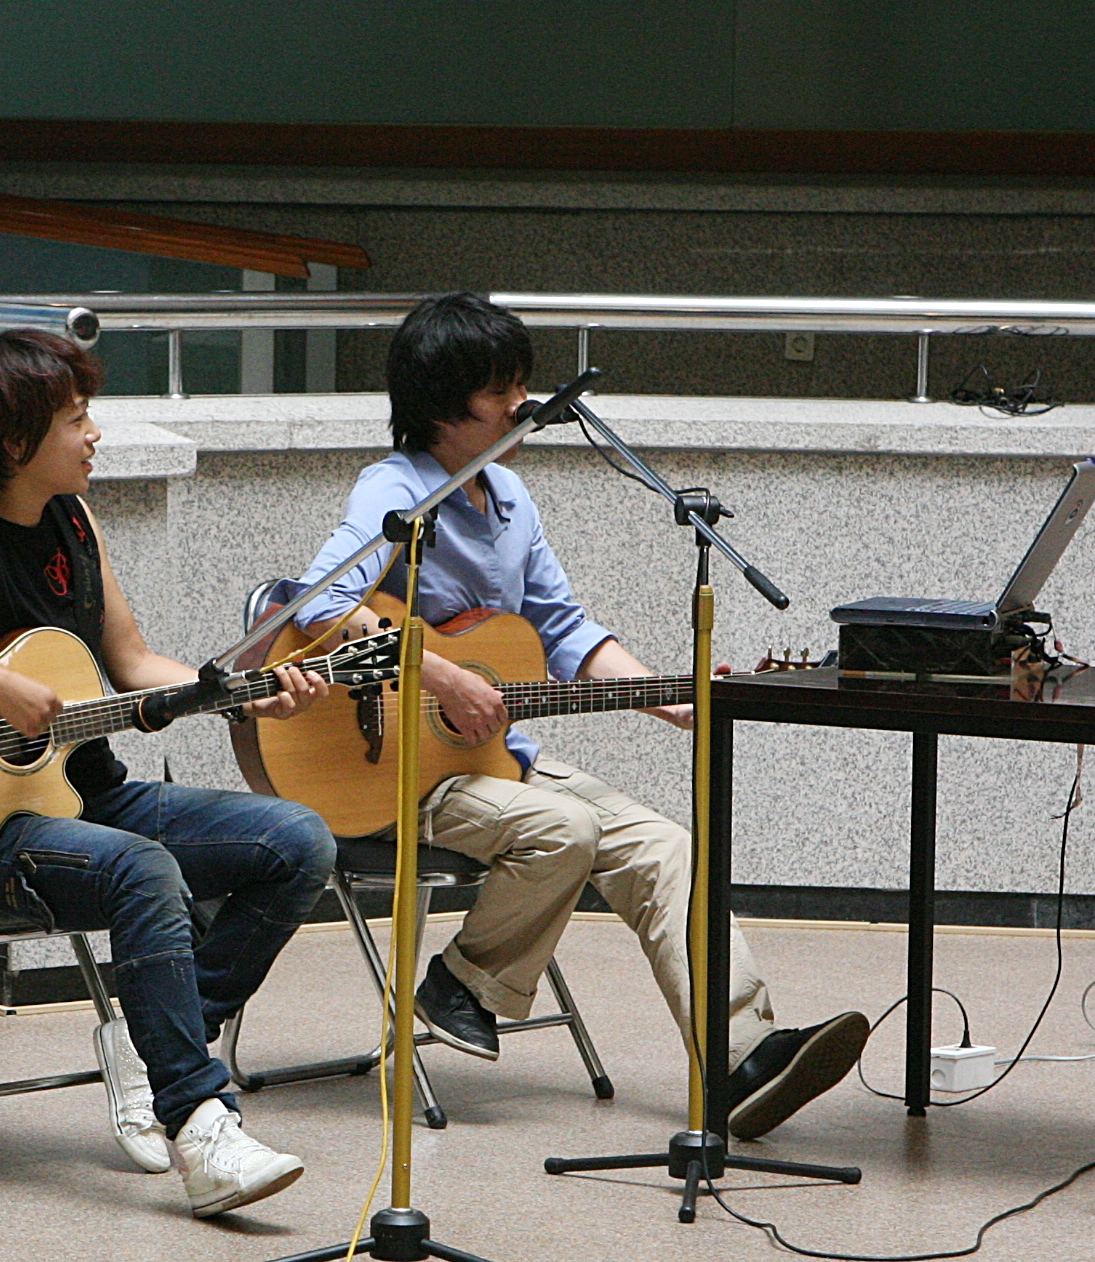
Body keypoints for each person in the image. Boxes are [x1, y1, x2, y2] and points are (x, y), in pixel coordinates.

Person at [290, 293, 869, 1140]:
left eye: (522, 384)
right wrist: (443, 674)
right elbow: (319, 606)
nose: (521, 404)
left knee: (666, 845)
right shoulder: (394, 490)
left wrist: (668, 696)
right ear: (442, 403)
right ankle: (464, 984)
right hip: (401, 767)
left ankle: (739, 1057)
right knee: (563, 829)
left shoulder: (513, 500)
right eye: (499, 390)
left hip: (495, 764)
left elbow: (565, 630)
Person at [0, 329, 335, 1217]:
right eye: (77, 418)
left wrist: (249, 697)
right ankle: (200, 1125)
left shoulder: (75, 520)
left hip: (85, 791)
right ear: (18, 442)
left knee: (297, 840)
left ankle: (151, 1046)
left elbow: (136, 663)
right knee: (146, 868)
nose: (95, 432)